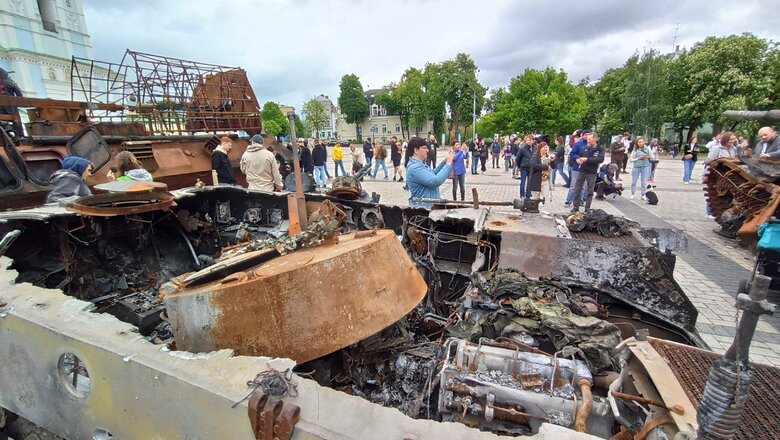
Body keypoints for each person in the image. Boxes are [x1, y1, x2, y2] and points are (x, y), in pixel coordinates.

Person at [406, 136, 454, 206]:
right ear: (416, 150)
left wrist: (444, 162)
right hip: (422, 210)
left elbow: (432, 173)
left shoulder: (420, 164)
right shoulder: (415, 168)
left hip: (427, 207)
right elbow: (435, 181)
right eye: (424, 148)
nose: (427, 150)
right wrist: (448, 164)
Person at [571, 133, 604, 213]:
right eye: (587, 139)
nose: (587, 141)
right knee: (577, 189)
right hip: (582, 171)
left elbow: (600, 159)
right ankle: (575, 207)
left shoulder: (599, 149)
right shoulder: (585, 148)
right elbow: (578, 156)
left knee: (590, 191)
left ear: (595, 139)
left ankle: (587, 208)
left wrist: (587, 159)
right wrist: (578, 160)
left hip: (592, 173)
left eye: (590, 139)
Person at [565, 130, 589, 206]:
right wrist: (578, 158)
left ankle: (581, 201)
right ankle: (568, 201)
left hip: (586, 168)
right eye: (586, 135)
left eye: (589, 135)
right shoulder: (578, 144)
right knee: (573, 185)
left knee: (583, 186)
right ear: (582, 135)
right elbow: (572, 154)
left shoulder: (591, 145)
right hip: (576, 167)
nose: (587, 137)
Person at [0, 68, 24, 138]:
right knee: (16, 122)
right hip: (12, 107)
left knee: (2, 123)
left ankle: (5, 137)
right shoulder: (10, 83)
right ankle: (20, 137)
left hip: (0, 108)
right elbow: (20, 95)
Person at [517, 134, 535, 199]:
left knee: (529, 183)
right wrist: (520, 166)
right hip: (524, 168)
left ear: (533, 141)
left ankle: (528, 195)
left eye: (530, 140)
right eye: (527, 140)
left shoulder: (535, 148)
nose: (529, 141)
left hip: (532, 168)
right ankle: (522, 195)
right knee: (523, 183)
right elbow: (518, 158)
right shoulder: (522, 149)